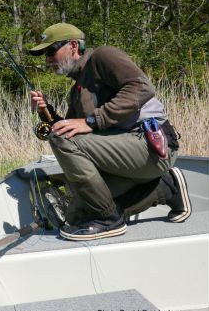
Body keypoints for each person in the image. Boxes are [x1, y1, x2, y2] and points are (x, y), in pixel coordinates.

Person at [27, 23, 191, 241]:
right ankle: (166, 187)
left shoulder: (103, 56)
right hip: (128, 155)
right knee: (76, 215)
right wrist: (46, 111)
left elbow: (142, 87)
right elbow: (69, 132)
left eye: (50, 51)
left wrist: (93, 121)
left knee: (97, 206)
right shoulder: (77, 90)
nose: (47, 59)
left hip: (152, 147)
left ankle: (107, 220)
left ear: (73, 46)